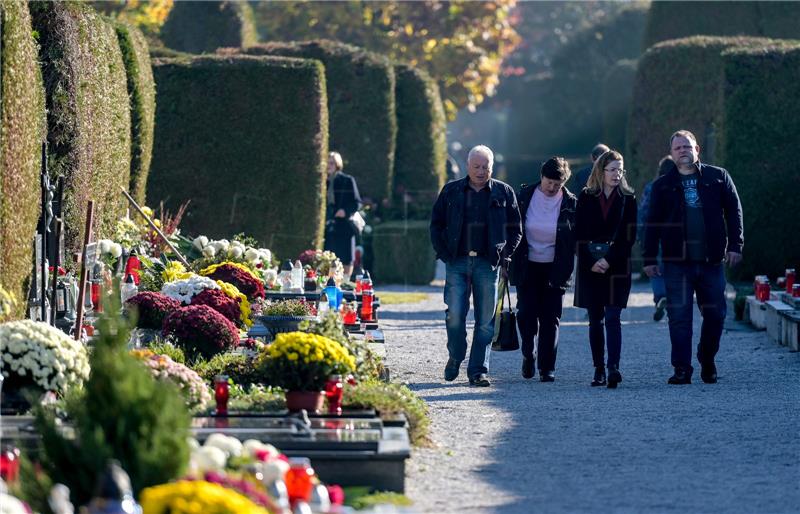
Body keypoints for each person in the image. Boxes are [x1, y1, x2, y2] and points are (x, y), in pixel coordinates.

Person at [643, 130, 743, 385]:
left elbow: (734, 212)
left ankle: (706, 359)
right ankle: (682, 369)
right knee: (679, 317)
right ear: (672, 153)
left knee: (716, 315)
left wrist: (735, 246)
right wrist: (649, 258)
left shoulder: (718, 177)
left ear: (697, 149)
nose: (683, 151)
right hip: (678, 263)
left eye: (687, 146)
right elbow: (652, 223)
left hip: (711, 262)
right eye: (678, 148)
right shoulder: (662, 185)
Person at [430, 145, 522, 387]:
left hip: (487, 263)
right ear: (467, 166)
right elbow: (436, 224)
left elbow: (516, 229)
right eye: (476, 167)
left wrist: (505, 255)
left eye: (486, 167)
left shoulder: (504, 192)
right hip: (457, 261)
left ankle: (478, 370)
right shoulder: (451, 191)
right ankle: (456, 356)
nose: (481, 171)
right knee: (455, 315)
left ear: (492, 167)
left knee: (485, 321)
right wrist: (443, 253)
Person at [510, 157, 577, 382]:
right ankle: (529, 353)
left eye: (558, 184)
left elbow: (575, 237)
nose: (552, 188)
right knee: (526, 315)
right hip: (527, 266)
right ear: (542, 177)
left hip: (556, 267)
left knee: (551, 318)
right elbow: (512, 228)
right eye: (549, 182)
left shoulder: (570, 203)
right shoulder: (524, 197)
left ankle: (547, 367)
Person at [574, 150, 638, 388]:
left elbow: (629, 236)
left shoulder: (628, 198)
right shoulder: (586, 197)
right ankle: (598, 368)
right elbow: (577, 233)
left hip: (617, 264)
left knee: (613, 317)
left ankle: (613, 367)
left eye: (620, 170)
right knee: (595, 320)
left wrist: (609, 260)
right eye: (612, 170)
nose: (616, 174)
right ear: (601, 171)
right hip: (590, 265)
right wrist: (591, 261)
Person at [638, 155, 674, 321]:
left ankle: (660, 297)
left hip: (654, 235)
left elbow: (643, 213)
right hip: (673, 236)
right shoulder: (679, 186)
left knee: (655, 271)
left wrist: (641, 236)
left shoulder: (651, 187)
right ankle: (672, 300)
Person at [323, 151, 362, 279]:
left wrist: (345, 211)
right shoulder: (321, 182)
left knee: (346, 259)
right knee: (327, 260)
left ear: (338, 164)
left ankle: (345, 284)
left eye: (332, 163)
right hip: (328, 228)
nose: (329, 165)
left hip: (344, 227)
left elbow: (357, 202)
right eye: (327, 162)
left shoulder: (347, 180)